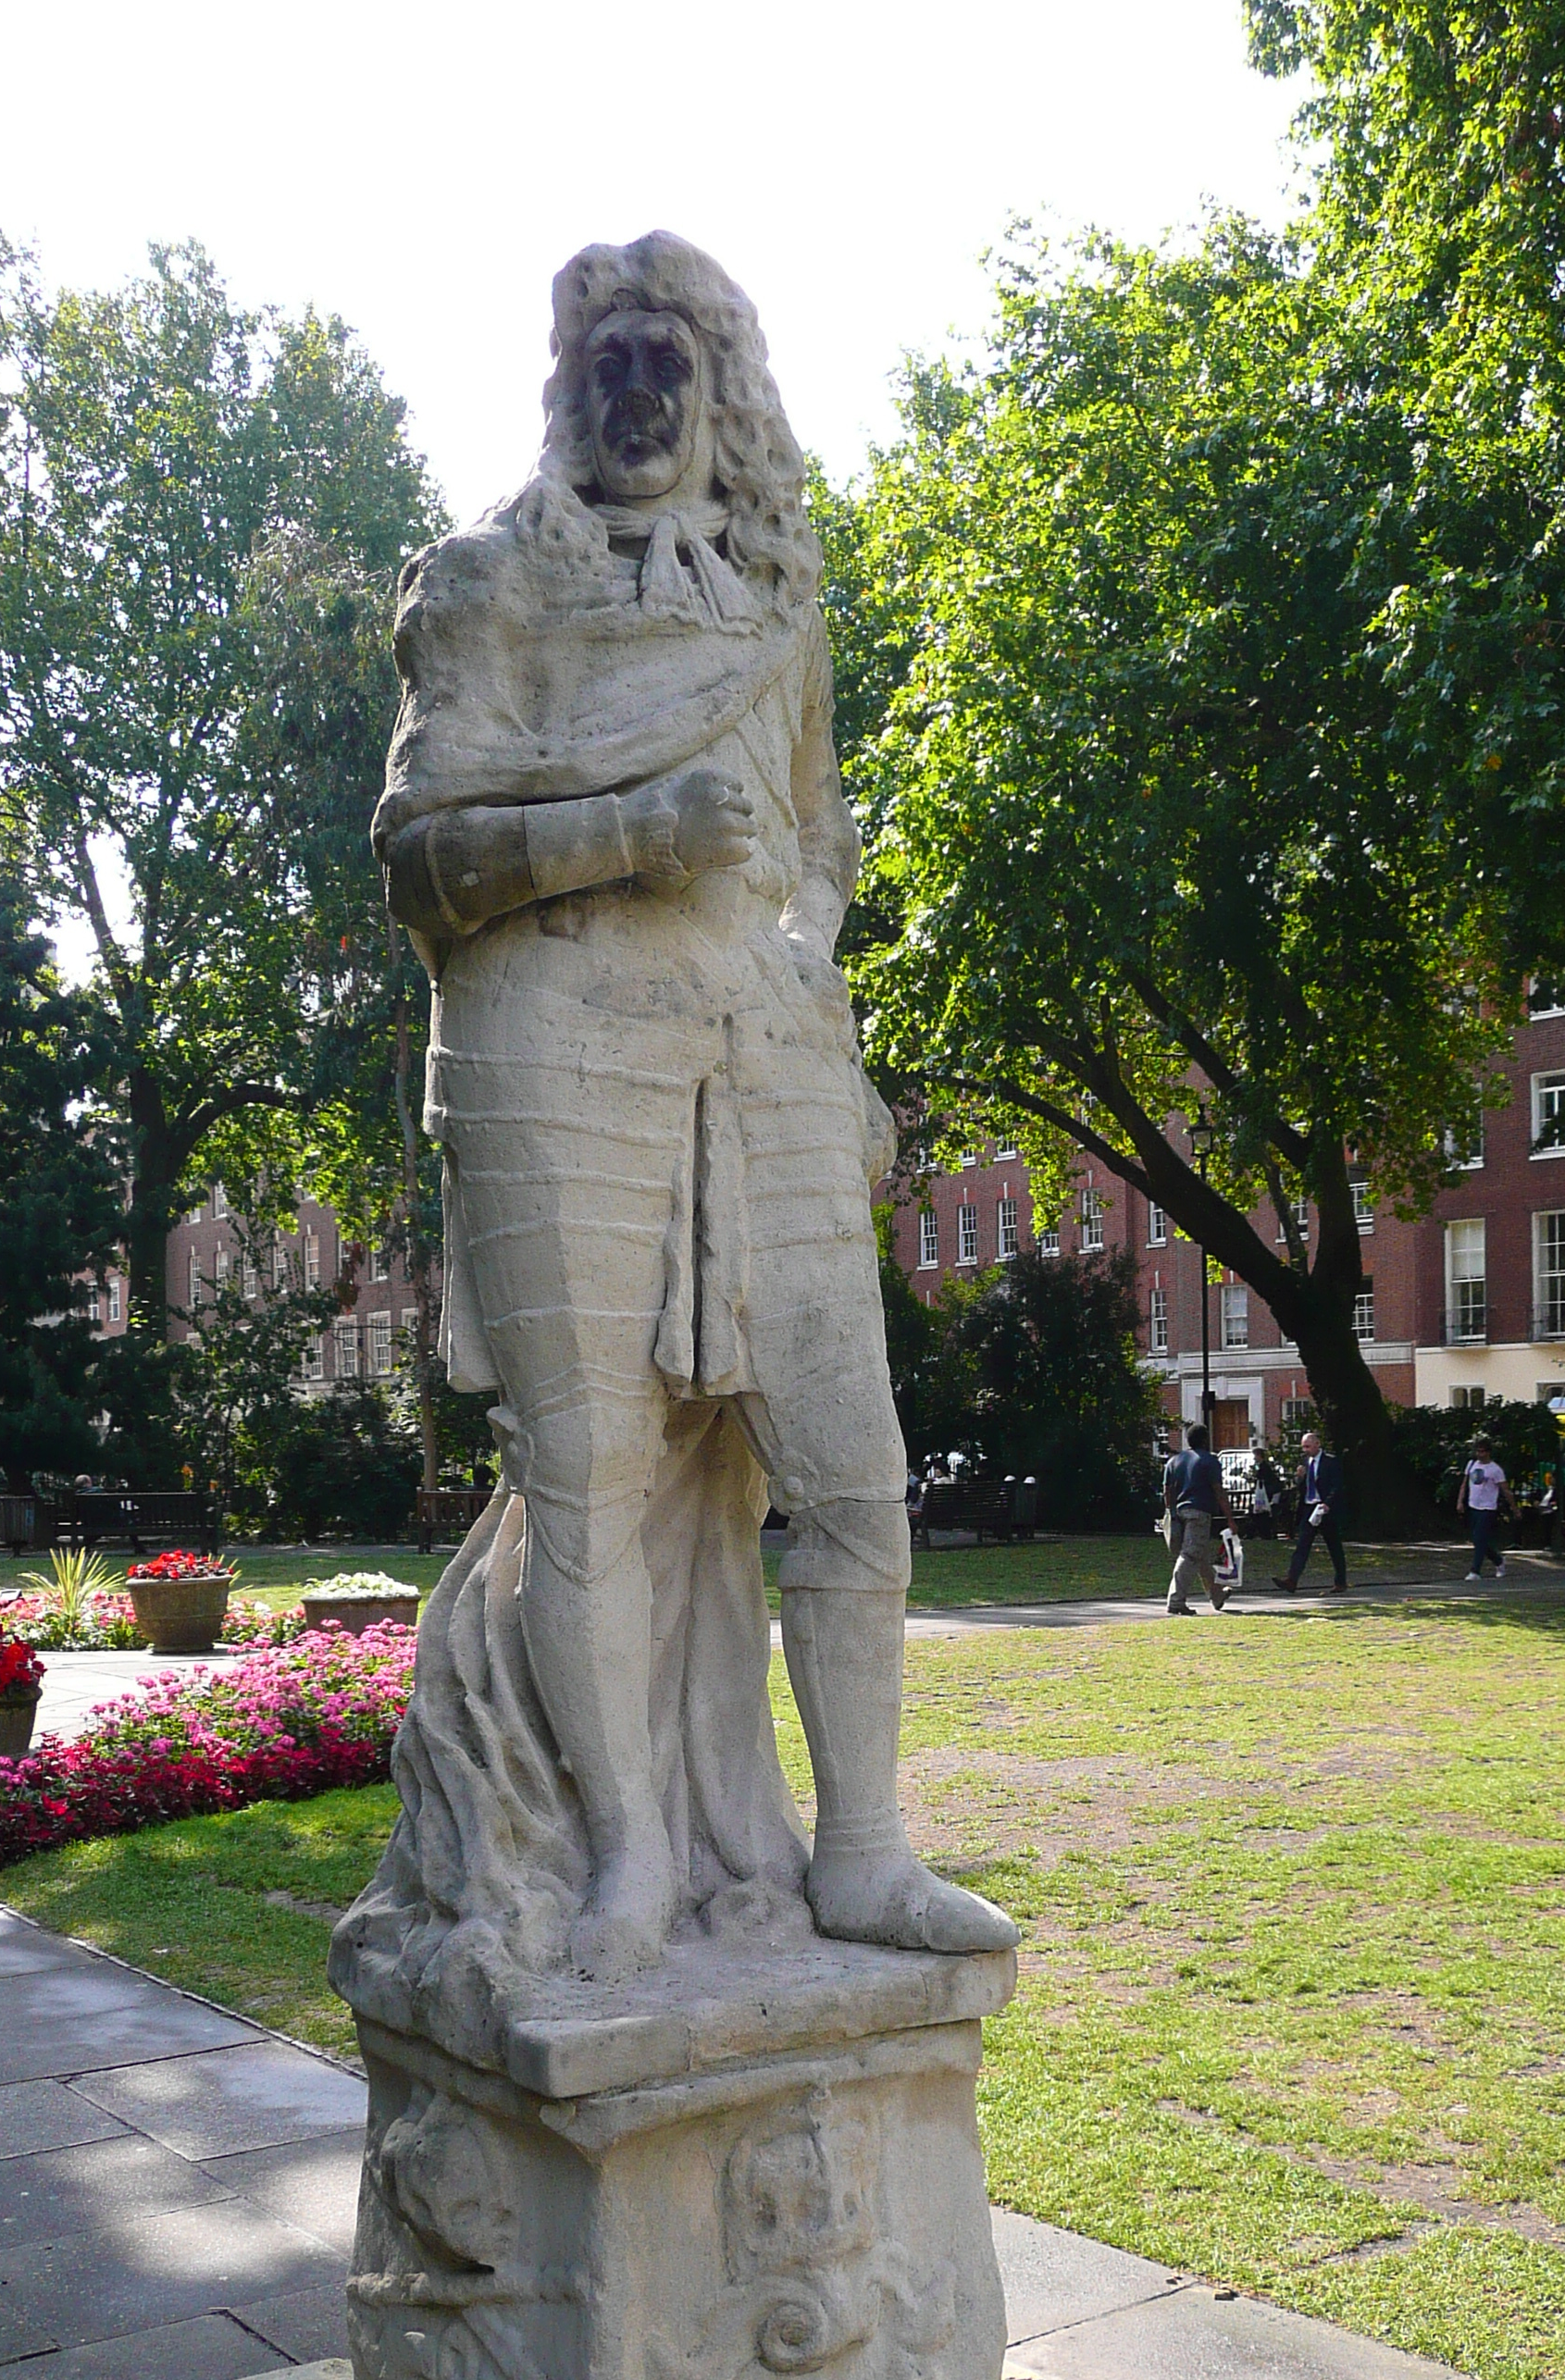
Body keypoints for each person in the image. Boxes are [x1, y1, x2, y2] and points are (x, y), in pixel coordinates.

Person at [341, 231, 1015, 2006]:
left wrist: (804, 974)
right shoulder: (483, 587)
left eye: (672, 366)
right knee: (589, 1476)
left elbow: (817, 839)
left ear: (721, 404)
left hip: (765, 1050)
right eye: (612, 364)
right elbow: (418, 862)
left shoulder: (776, 606)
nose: (640, 395)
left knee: (848, 1461)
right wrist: (627, 834)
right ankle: (632, 1854)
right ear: (568, 393)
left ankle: (858, 1847)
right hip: (550, 1044)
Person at [1160, 1421, 1236, 1614]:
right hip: (1199, 1513)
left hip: (1179, 1513)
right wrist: (1230, 1519)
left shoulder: (1174, 1461)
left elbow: (1167, 1490)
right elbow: (1218, 1491)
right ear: (1205, 1439)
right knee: (1190, 1555)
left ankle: (1216, 1595)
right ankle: (1176, 1601)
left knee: (1199, 1555)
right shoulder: (1210, 1461)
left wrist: (1171, 1512)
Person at [1272, 1429, 1346, 1593]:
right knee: (1302, 1545)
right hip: (1309, 1508)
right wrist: (1299, 1478)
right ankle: (1292, 1580)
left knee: (1334, 1546)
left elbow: (1337, 1485)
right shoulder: (1305, 1462)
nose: (1305, 1450)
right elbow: (1302, 1487)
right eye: (1303, 1447)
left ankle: (1341, 1581)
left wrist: (1328, 1503)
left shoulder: (1330, 1461)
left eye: (1308, 1447)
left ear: (1317, 1445)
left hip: (1324, 1508)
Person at [1458, 1434, 1515, 1580]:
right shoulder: (1471, 1465)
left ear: (1488, 1452)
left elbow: (1505, 1489)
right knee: (1478, 1540)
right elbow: (1464, 1484)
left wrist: (1514, 1507)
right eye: (1478, 1451)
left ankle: (1475, 1570)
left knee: (1480, 1538)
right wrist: (1460, 1501)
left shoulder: (1495, 1469)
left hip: (1488, 1507)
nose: (1480, 1454)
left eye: (1483, 1451)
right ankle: (1498, 1560)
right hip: (1473, 1506)